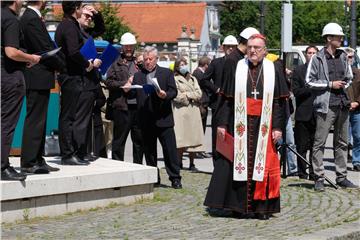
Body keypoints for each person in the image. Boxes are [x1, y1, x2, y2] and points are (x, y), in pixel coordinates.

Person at [204, 34, 289, 220]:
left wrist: (277, 127)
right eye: (250, 47)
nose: (252, 51)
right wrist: (222, 124)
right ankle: (237, 206)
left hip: (263, 125)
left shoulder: (273, 68)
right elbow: (227, 99)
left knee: (262, 165)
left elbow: (279, 102)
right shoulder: (237, 68)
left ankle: (261, 208)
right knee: (235, 164)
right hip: (239, 123)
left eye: (257, 48)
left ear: (265, 50)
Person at [305, 22, 358, 191]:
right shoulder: (317, 57)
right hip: (325, 105)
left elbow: (349, 76)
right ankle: (318, 177)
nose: (341, 39)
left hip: (342, 104)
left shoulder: (343, 56)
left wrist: (344, 84)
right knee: (319, 142)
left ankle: (341, 177)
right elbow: (309, 81)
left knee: (342, 142)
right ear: (329, 38)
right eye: (338, 36)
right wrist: (330, 84)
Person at [124, 46, 182, 189]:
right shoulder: (138, 76)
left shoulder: (166, 73)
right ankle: (154, 177)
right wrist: (128, 89)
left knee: (170, 151)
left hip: (164, 118)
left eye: (150, 59)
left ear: (156, 59)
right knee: (150, 152)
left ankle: (175, 178)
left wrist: (165, 95)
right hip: (146, 119)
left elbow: (173, 92)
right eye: (145, 60)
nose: (147, 62)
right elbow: (133, 96)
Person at [20, 0, 65, 174]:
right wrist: (63, 66)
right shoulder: (30, 18)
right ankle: (29, 161)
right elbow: (44, 47)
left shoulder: (33, 17)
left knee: (40, 120)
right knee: (35, 119)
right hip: (36, 75)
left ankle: (38, 159)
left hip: (40, 75)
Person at [55, 1, 101, 165]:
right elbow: (73, 51)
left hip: (75, 76)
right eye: (81, 7)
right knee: (68, 117)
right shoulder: (68, 26)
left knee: (72, 116)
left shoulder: (70, 25)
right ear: (76, 9)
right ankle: (67, 154)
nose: (83, 10)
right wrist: (88, 64)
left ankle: (73, 152)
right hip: (70, 76)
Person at [1, 0, 41, 180]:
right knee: (6, 123)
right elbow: (11, 52)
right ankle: (2, 167)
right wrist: (30, 57)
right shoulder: (10, 19)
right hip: (10, 77)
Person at [105, 32, 144, 164]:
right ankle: (118, 168)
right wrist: (124, 85)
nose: (128, 48)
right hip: (121, 107)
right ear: (122, 47)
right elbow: (108, 82)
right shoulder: (115, 62)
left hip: (138, 107)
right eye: (126, 46)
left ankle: (138, 168)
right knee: (119, 141)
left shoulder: (140, 63)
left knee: (139, 142)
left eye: (131, 46)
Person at [200, 35, 239, 165]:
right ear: (223, 48)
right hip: (219, 105)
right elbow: (204, 79)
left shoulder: (241, 62)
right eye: (228, 47)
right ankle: (217, 165)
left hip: (236, 105)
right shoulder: (216, 63)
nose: (231, 49)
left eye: (233, 47)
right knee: (218, 137)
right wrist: (215, 89)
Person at [78, 3, 105, 161]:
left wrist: (97, 13)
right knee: (81, 120)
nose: (89, 19)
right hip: (80, 79)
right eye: (86, 16)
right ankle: (81, 151)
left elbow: (101, 29)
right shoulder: (74, 31)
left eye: (91, 17)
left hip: (92, 80)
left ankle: (88, 151)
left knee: (91, 120)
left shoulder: (88, 33)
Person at [173, 57, 204, 171]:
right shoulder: (175, 79)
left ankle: (192, 163)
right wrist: (189, 97)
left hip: (193, 111)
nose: (184, 66)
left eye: (185, 63)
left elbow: (199, 93)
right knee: (181, 139)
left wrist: (187, 94)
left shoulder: (193, 78)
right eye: (181, 64)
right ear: (177, 67)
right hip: (181, 112)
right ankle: (179, 162)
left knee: (193, 139)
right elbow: (177, 96)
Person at [292, 45, 319, 180]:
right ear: (306, 54)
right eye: (309, 53)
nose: (312, 55)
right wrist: (311, 88)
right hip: (303, 114)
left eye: (314, 53)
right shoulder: (298, 70)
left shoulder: (321, 71)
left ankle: (315, 173)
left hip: (318, 114)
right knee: (301, 146)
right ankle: (302, 173)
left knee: (316, 147)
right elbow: (296, 91)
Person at [344, 47, 360, 172]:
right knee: (342, 139)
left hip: (357, 109)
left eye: (350, 57)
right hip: (343, 108)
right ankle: (342, 162)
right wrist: (347, 103)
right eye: (346, 57)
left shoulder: (358, 72)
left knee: (358, 136)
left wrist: (357, 102)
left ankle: (356, 161)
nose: (348, 59)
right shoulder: (339, 73)